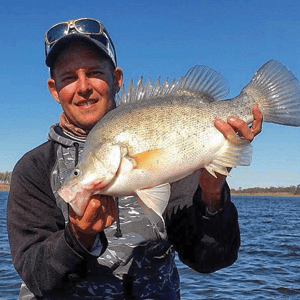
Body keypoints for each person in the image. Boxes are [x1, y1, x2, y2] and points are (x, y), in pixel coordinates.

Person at [7, 18, 263, 299]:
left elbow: (210, 259)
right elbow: (35, 276)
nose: (83, 87)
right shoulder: (34, 169)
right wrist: (77, 237)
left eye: (94, 72)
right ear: (54, 90)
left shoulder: (178, 154)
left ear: (116, 79)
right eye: (68, 78)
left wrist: (213, 190)